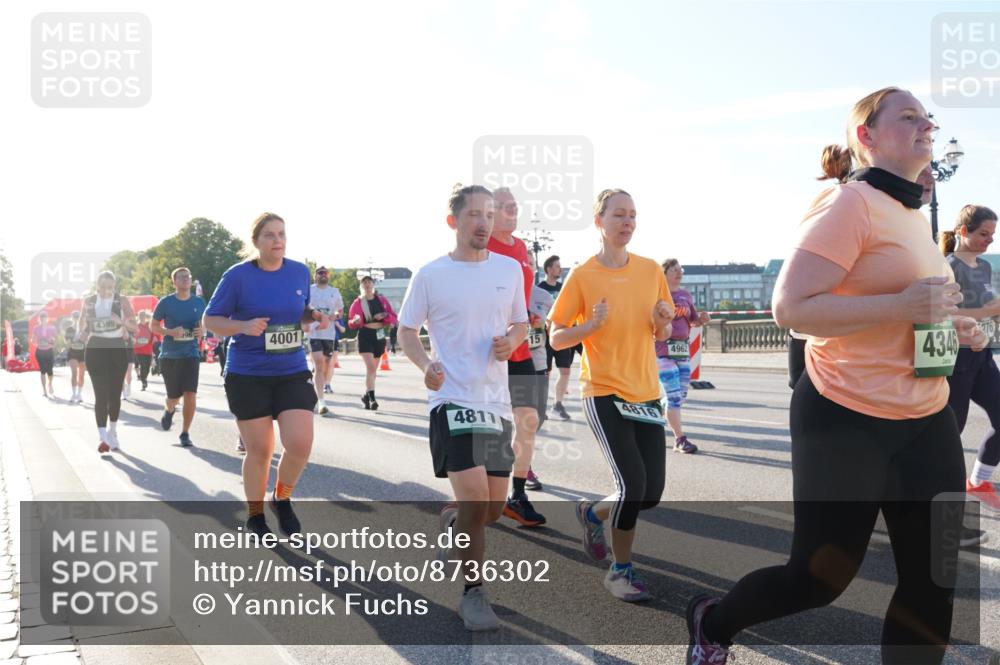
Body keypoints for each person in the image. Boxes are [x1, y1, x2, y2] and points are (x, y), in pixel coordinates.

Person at [685, 87, 986, 665]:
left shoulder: (911, 216)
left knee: (935, 579)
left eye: (928, 116)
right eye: (908, 116)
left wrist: (954, 326)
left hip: (927, 418)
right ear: (865, 137)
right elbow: (792, 309)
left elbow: (914, 307)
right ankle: (713, 621)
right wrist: (903, 307)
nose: (926, 123)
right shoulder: (849, 203)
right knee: (820, 578)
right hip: (847, 414)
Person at [397, 183, 527, 631]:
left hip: (496, 404)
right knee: (475, 500)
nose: (484, 222)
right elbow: (407, 331)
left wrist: (512, 340)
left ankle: (453, 522)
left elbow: (522, 321)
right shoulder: (430, 274)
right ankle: (474, 593)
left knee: (491, 510)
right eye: (474, 214)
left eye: (489, 214)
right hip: (451, 399)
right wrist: (424, 365)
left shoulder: (509, 270)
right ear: (453, 221)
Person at [549, 188, 675, 602]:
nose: (628, 222)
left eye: (633, 215)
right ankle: (620, 572)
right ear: (598, 220)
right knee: (632, 482)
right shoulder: (583, 274)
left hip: (645, 392)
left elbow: (664, 331)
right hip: (603, 389)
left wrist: (662, 321)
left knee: (649, 493)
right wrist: (589, 328)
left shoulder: (650, 270)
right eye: (619, 214)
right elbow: (555, 336)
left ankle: (591, 512)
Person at [205, 213, 331, 536]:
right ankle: (256, 513)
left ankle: (281, 498)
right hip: (248, 373)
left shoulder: (299, 272)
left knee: (300, 443)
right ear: (256, 242)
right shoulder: (237, 277)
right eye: (270, 235)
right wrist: (243, 326)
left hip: (290, 369)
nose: (278, 240)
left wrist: (313, 315)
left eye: (282, 234)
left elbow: (298, 312)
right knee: (260, 451)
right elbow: (211, 321)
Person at [488, 187, 547, 527]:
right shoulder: (482, 247)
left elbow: (520, 299)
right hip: (491, 351)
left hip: (521, 347)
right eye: (504, 206)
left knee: (527, 420)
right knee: (493, 425)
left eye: (514, 206)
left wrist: (529, 314)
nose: (512, 211)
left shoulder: (522, 247)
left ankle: (518, 495)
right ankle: (477, 492)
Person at [939, 204, 1000, 514]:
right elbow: (942, 315)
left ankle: (979, 482)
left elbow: (989, 310)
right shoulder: (947, 266)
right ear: (963, 232)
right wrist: (989, 311)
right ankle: (932, 502)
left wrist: (993, 316)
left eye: (992, 234)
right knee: (951, 434)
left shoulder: (985, 266)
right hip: (956, 358)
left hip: (983, 355)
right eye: (983, 234)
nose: (989, 240)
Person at [79, 271, 138, 453]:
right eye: (103, 287)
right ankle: (102, 437)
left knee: (114, 394)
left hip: (116, 348)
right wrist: (82, 333)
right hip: (96, 348)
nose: (107, 291)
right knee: (100, 394)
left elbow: (134, 326)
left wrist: (120, 321)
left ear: (115, 286)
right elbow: (82, 325)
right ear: (97, 286)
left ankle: (113, 431)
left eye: (110, 287)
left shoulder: (121, 300)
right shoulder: (89, 301)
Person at [658, 259, 711, 453]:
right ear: (664, 274)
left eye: (680, 269)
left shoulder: (685, 295)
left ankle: (657, 408)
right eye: (673, 270)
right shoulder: (657, 295)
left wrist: (702, 319)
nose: (678, 273)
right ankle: (679, 439)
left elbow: (693, 320)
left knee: (681, 396)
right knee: (673, 397)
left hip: (682, 350)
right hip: (662, 352)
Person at [152, 267, 207, 448]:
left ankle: (185, 433)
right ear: (174, 282)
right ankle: (169, 409)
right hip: (169, 355)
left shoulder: (199, 302)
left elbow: (204, 325)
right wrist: (170, 331)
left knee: (190, 393)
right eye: (181, 277)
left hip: (191, 353)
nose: (185, 279)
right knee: (174, 397)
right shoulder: (166, 302)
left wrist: (203, 331)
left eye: (188, 277)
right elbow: (153, 326)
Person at [526, 258, 555, 491]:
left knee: (539, 416)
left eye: (529, 262)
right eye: (521, 261)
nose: (526, 264)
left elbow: (552, 330)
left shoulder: (544, 297)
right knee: (522, 417)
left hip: (538, 362)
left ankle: (517, 454)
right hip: (511, 364)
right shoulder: (503, 292)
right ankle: (523, 466)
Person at [347, 276, 398, 410]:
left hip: (379, 335)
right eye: (364, 283)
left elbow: (393, 315)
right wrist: (355, 321)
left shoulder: (381, 300)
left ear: (373, 285)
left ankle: (366, 396)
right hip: (365, 335)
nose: (367, 284)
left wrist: (384, 316)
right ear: (361, 286)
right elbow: (351, 322)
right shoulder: (357, 303)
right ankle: (373, 399)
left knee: (373, 370)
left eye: (369, 282)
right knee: (370, 368)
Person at [539, 254, 574, 421]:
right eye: (557, 266)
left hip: (561, 335)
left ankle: (558, 404)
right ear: (548, 269)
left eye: (560, 266)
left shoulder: (563, 288)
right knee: (546, 373)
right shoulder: (540, 288)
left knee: (565, 371)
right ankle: (541, 405)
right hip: (545, 337)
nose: (559, 269)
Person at [308, 266, 344, 417]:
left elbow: (340, 310)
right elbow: (303, 307)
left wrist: (335, 316)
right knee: (318, 362)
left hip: (328, 334)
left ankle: (315, 388)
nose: (323, 275)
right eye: (320, 273)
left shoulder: (334, 292)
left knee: (325, 366)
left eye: (325, 273)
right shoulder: (310, 290)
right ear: (315, 275)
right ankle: (321, 401)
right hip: (313, 331)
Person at [31, 312, 56, 398]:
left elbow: (54, 339)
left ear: (47, 319)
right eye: (42, 318)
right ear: (39, 319)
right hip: (40, 352)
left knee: (50, 371)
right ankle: (44, 390)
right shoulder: (36, 328)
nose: (43, 319)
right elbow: (33, 339)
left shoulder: (51, 328)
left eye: (45, 318)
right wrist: (35, 341)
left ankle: (50, 384)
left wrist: (52, 340)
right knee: (43, 370)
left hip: (49, 351)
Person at [64, 317, 87, 403]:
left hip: (82, 353)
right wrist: (71, 342)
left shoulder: (85, 330)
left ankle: (79, 394)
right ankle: (73, 394)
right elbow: (67, 342)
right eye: (75, 317)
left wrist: (85, 340)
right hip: (73, 353)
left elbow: (88, 341)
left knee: (81, 374)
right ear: (72, 319)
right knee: (74, 373)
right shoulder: (70, 329)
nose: (77, 319)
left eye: (78, 318)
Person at [133, 311, 154, 391]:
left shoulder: (149, 326)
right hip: (138, 350)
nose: (142, 317)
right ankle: (144, 381)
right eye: (140, 315)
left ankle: (144, 378)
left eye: (143, 315)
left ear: (145, 316)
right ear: (138, 316)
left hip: (148, 350)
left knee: (147, 368)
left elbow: (153, 335)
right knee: (142, 365)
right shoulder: (136, 326)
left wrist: (152, 340)